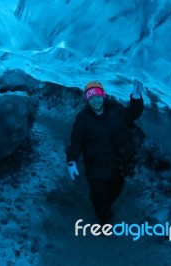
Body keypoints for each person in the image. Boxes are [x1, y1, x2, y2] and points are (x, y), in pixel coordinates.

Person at [65, 80, 144, 224]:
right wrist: (71, 160)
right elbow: (76, 141)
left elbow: (132, 114)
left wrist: (136, 97)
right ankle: (103, 219)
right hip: (95, 165)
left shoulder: (115, 109)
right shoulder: (82, 119)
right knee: (98, 195)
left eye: (98, 96)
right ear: (87, 99)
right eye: (91, 98)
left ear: (103, 96)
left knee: (116, 188)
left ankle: (104, 207)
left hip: (116, 163)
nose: (95, 100)